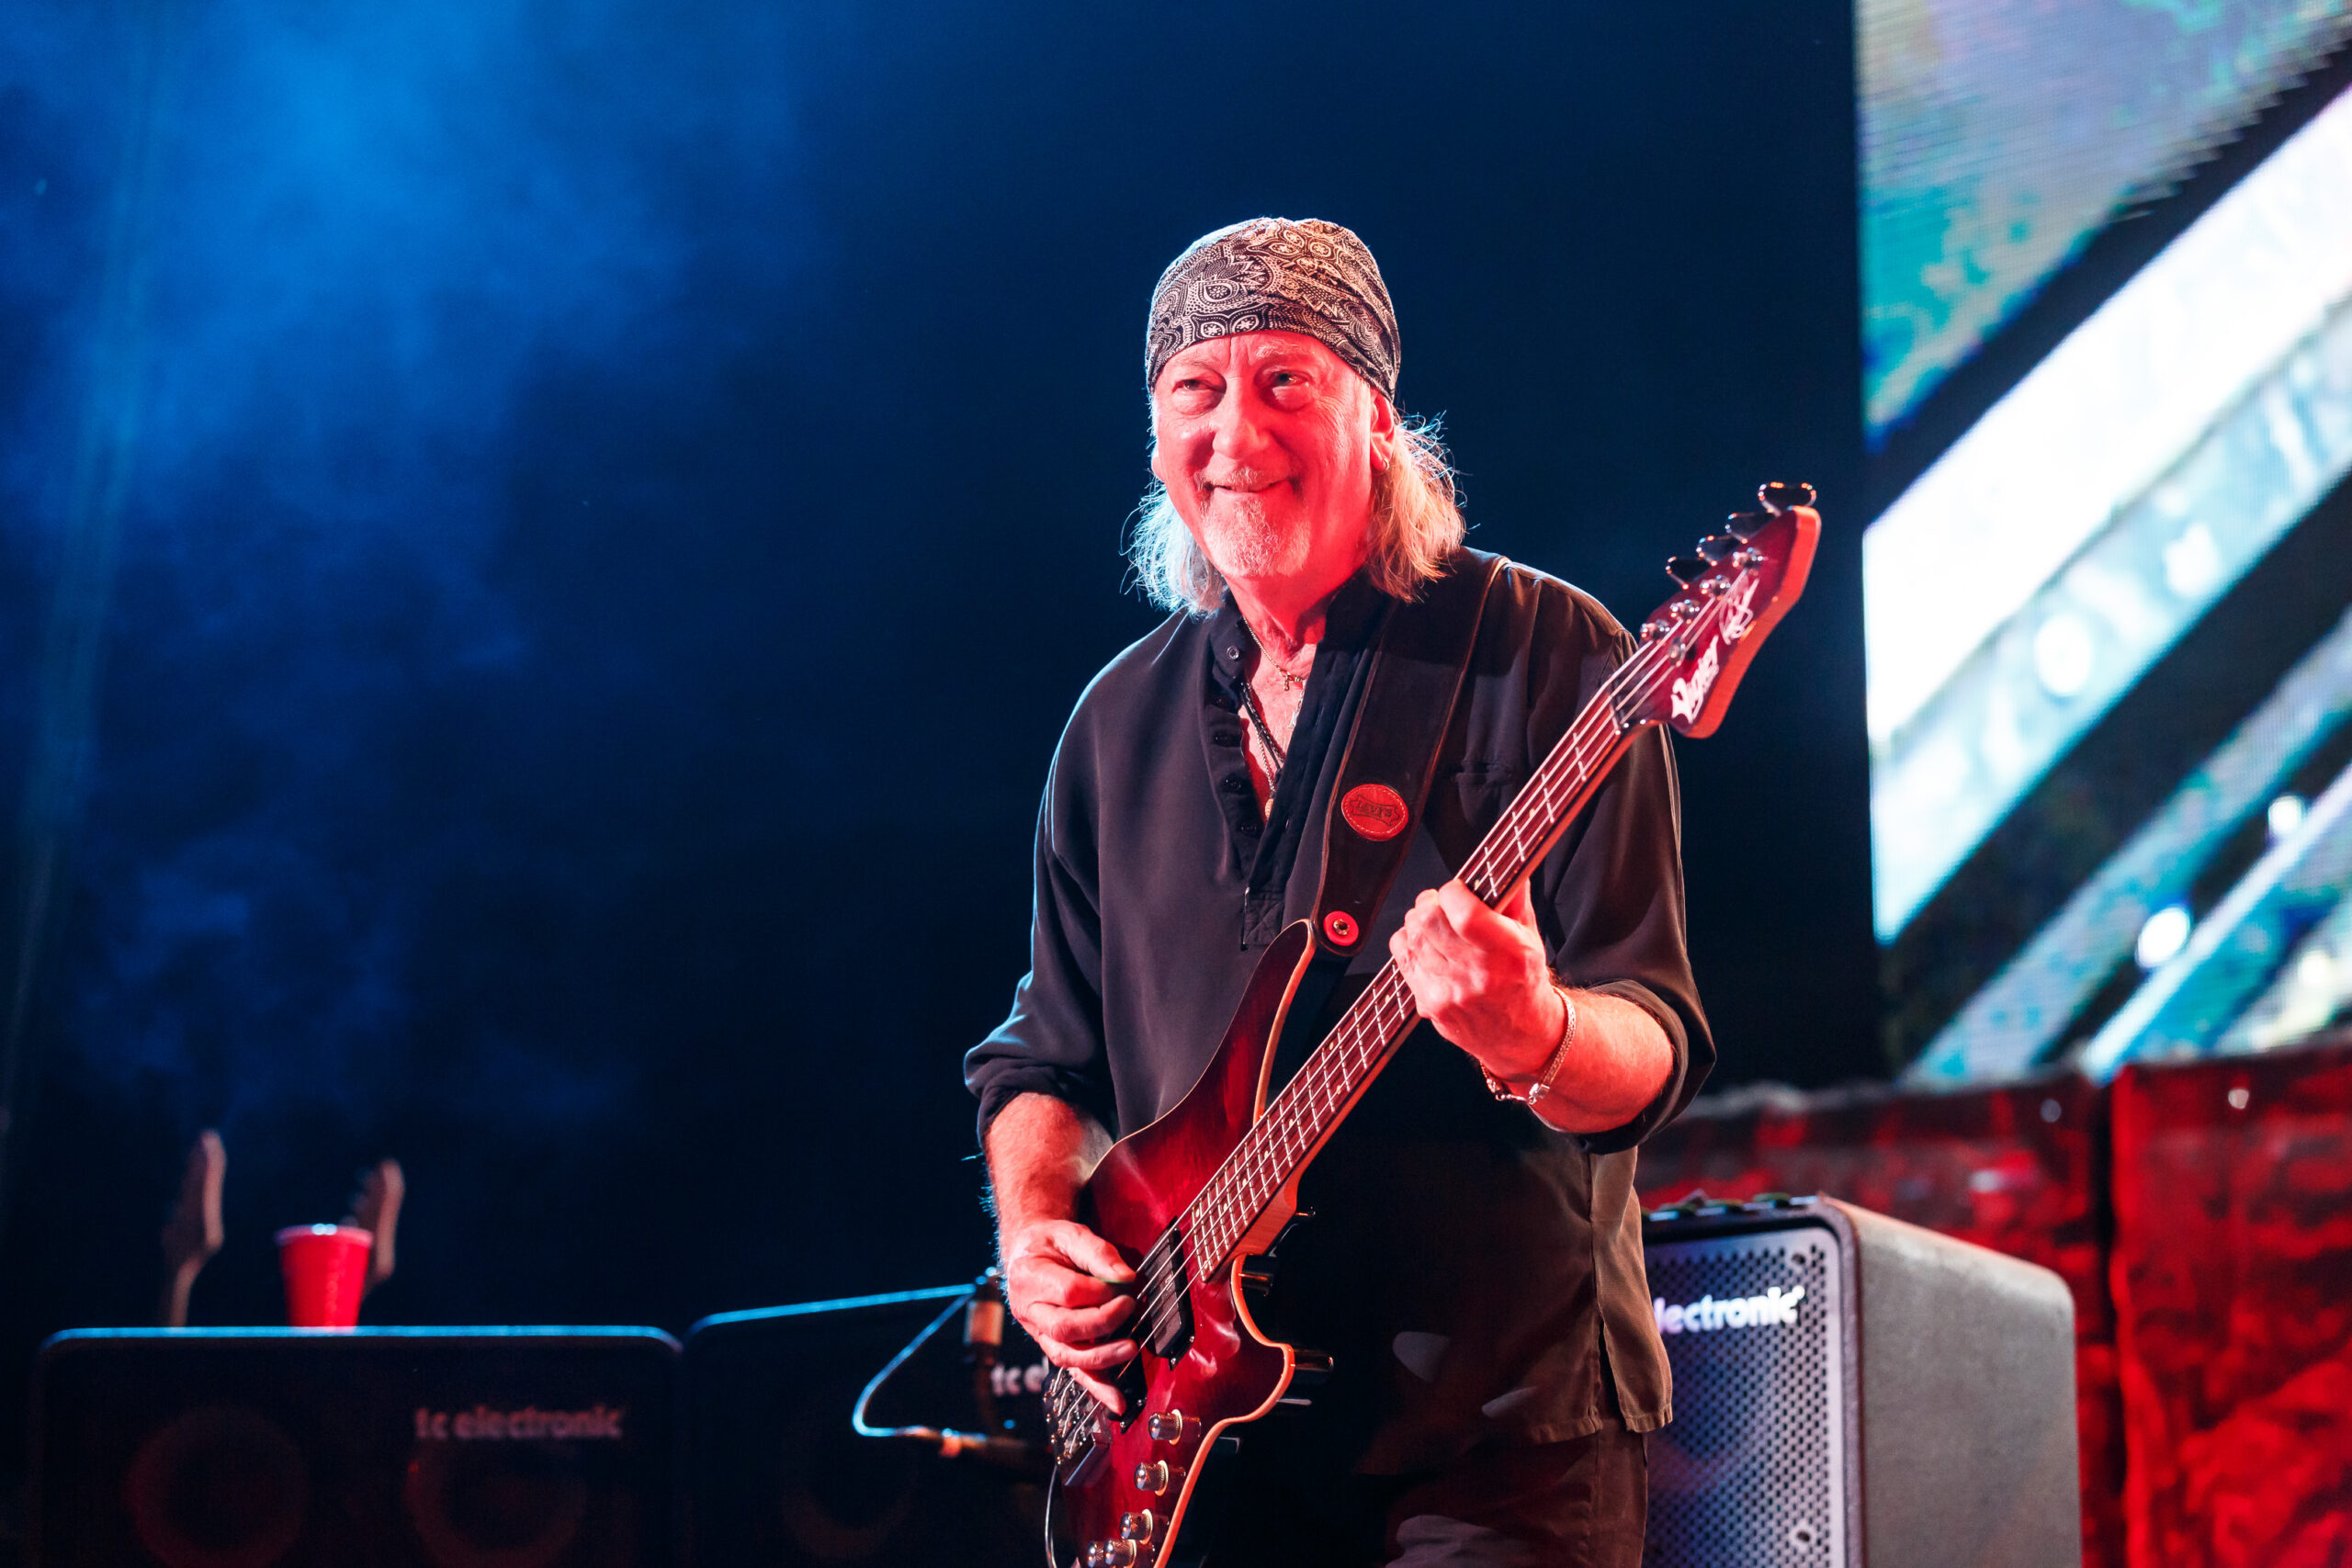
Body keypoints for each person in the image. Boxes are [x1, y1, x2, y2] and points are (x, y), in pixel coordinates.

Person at [964, 218, 1712, 1567]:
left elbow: (1652, 1045)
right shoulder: (1115, 726)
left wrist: (1536, 1033)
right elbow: (1042, 1063)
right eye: (1195, 390)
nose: (1234, 431)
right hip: (1206, 1460)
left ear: (1378, 419)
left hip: (1493, 1444)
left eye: (1284, 382)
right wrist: (1036, 1237)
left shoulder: (1547, 651)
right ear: (1155, 438)